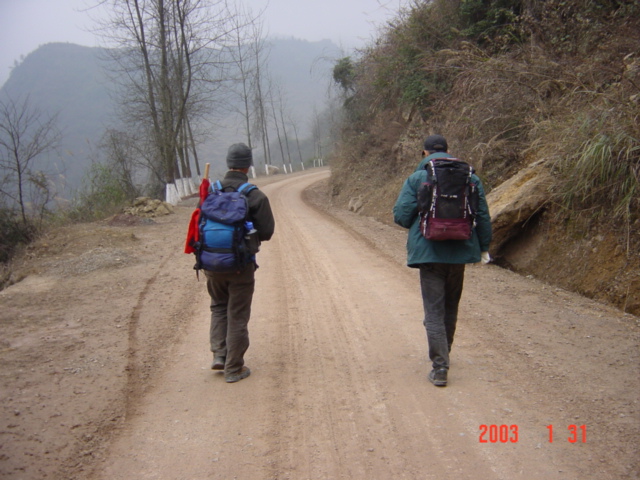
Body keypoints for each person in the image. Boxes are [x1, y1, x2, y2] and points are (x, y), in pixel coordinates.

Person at [393, 134, 492, 387]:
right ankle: (445, 350)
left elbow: (402, 216)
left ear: (424, 153)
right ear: (449, 151)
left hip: (429, 252)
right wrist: (484, 247)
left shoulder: (417, 178)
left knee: (433, 311)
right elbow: (482, 215)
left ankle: (440, 367)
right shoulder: (471, 177)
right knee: (450, 306)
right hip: (460, 250)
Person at [205, 143, 275, 383]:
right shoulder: (254, 195)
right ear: (248, 165)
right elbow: (267, 232)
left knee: (218, 306)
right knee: (237, 313)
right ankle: (234, 368)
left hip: (211, 263)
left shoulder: (211, 191)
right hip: (240, 265)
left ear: (228, 163)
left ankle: (220, 355)